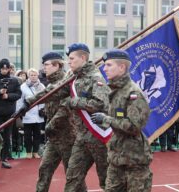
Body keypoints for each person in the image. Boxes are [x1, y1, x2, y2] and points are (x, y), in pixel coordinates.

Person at [24, 43, 110, 191]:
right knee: (72, 178)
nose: (68, 62)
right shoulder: (73, 78)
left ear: (83, 58)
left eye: (71, 58)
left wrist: (75, 101)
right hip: (81, 138)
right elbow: (53, 92)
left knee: (107, 180)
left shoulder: (95, 77)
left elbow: (101, 103)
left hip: (98, 136)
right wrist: (29, 102)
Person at [90, 49, 153, 192]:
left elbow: (134, 126)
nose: (104, 68)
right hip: (116, 158)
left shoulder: (133, 93)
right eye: (105, 65)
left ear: (122, 67)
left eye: (109, 65)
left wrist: (106, 119)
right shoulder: (115, 90)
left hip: (134, 160)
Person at [33, 52, 83, 192]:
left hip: (68, 136)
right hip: (53, 137)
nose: (44, 68)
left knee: (72, 175)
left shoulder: (66, 82)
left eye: (47, 65)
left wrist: (50, 124)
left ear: (57, 65)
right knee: (44, 169)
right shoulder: (51, 82)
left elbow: (65, 108)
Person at [0, 58, 21, 169]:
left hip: (9, 114)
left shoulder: (15, 81)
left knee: (7, 137)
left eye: (7, 68)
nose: (5, 70)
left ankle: (5, 158)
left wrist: (8, 96)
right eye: (3, 68)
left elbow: (18, 94)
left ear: (9, 69)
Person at [17, 68, 45, 159]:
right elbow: (20, 101)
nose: (33, 77)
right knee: (27, 135)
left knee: (37, 134)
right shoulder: (23, 86)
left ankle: (35, 151)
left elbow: (45, 99)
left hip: (38, 114)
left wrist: (43, 110)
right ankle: (28, 151)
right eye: (31, 75)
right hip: (27, 114)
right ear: (28, 76)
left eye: (35, 75)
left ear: (38, 76)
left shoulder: (42, 86)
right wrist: (20, 111)